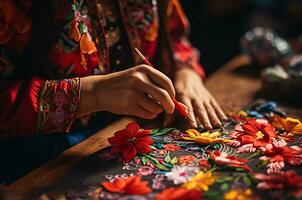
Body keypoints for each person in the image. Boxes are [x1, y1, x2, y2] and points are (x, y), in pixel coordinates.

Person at [0, 0, 226, 182]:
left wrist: (184, 71)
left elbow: (173, 34)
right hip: (38, 162)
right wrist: (93, 93)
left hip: (130, 131)